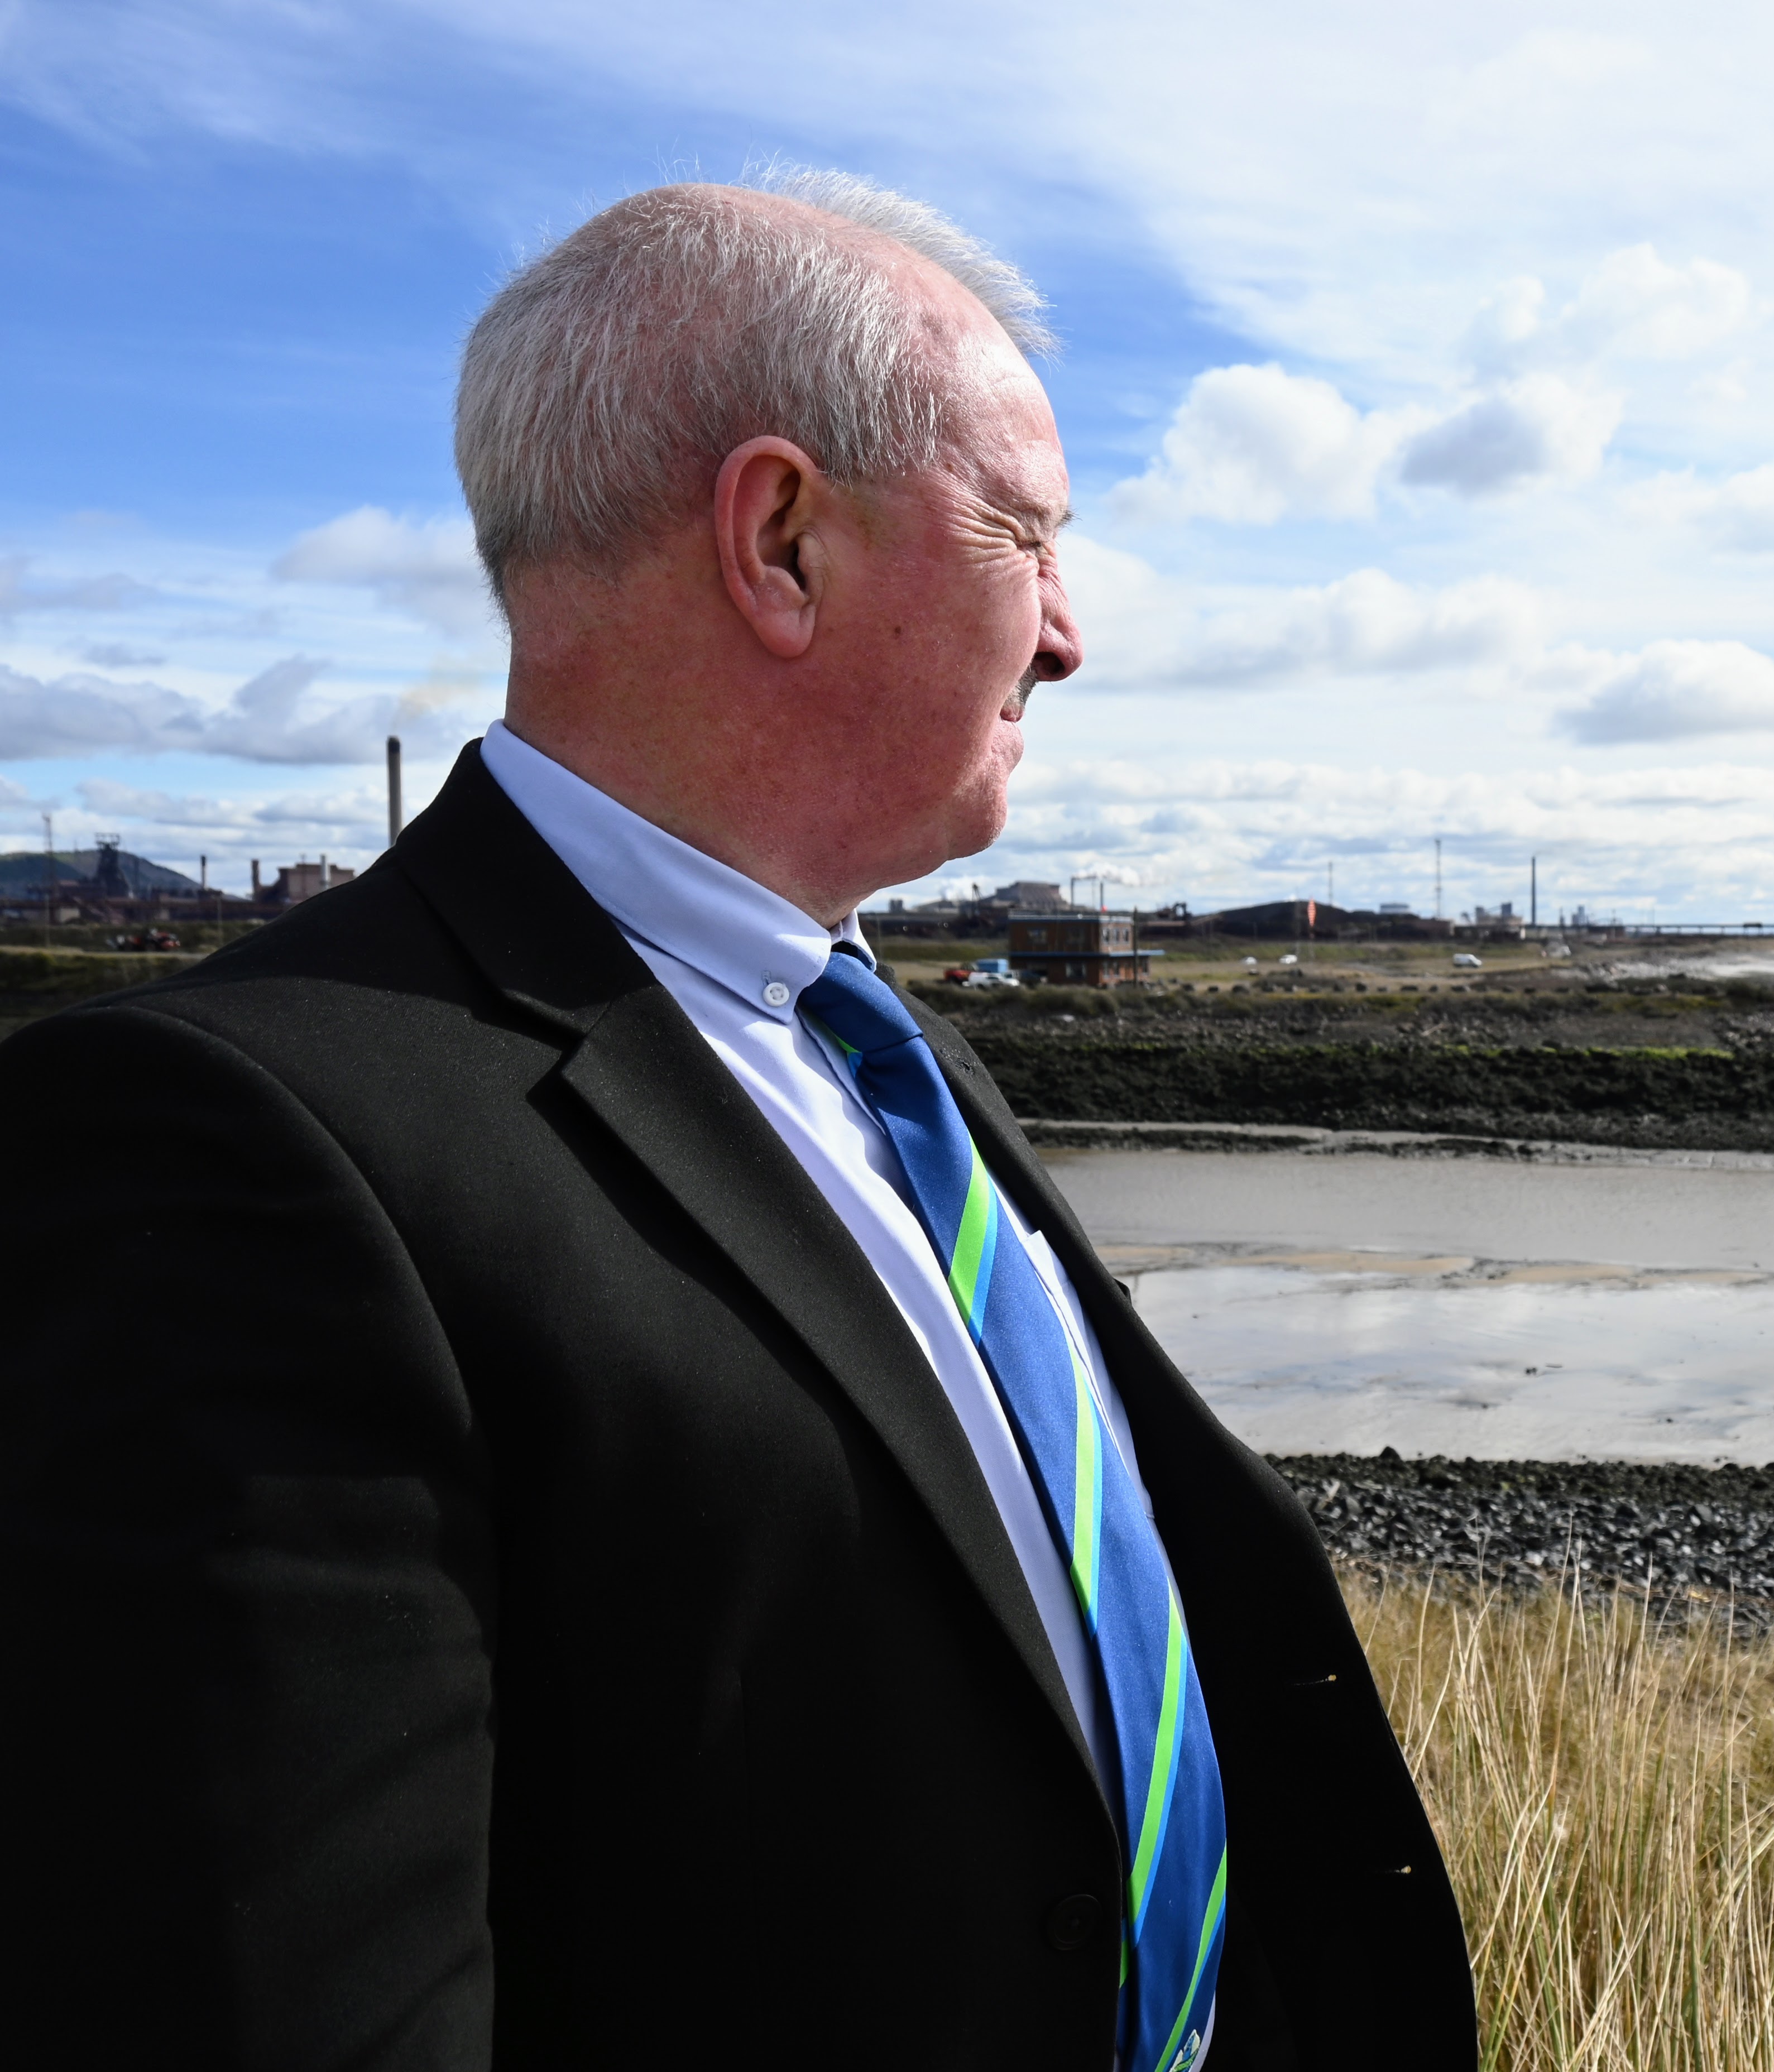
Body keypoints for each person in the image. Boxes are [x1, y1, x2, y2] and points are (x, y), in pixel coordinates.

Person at [0, 173, 1475, 2071]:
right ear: (780, 540)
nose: (1069, 635)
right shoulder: (219, 1147)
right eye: (1028, 532)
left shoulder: (876, 1052)